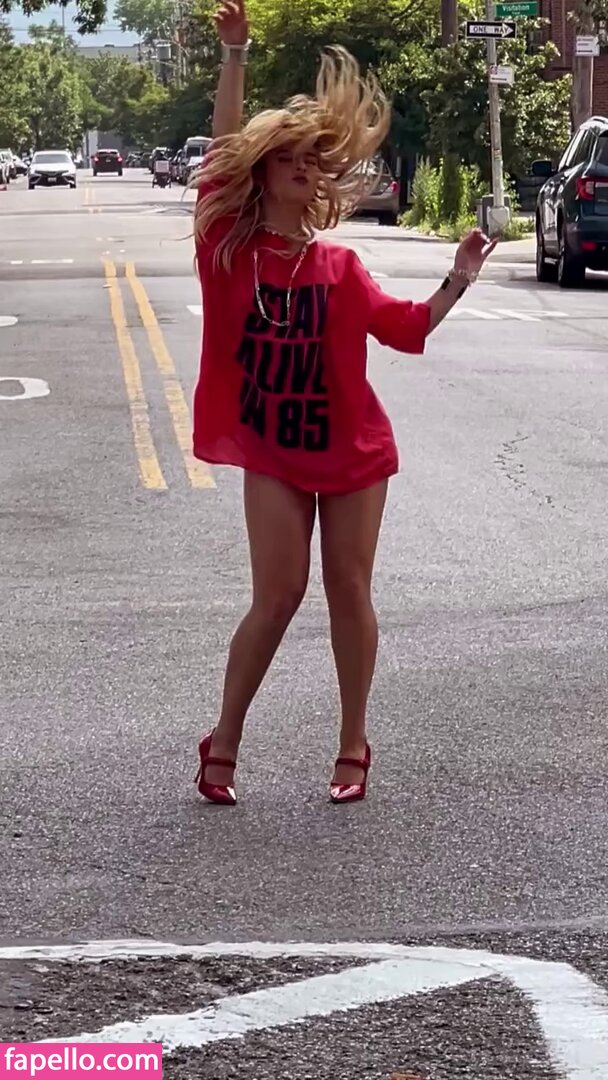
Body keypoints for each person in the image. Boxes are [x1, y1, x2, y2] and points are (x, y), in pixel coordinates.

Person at [192, 0, 497, 806]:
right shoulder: (227, 250)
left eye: (310, 159)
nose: (300, 167)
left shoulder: (340, 267)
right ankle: (224, 739)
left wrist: (460, 276)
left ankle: (353, 742)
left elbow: (407, 327)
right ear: (263, 172)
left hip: (354, 451)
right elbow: (220, 158)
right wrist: (235, 55)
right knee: (278, 594)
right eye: (285, 157)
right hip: (274, 447)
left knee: (348, 591)